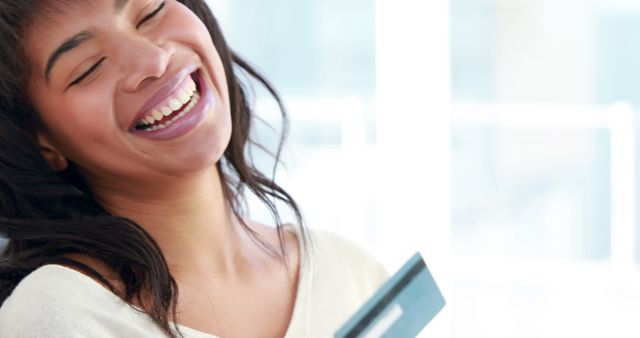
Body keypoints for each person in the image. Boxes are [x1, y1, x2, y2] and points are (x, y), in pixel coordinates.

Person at [0, 0, 388, 337]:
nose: (153, 60)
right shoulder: (57, 317)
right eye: (89, 68)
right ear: (40, 141)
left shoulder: (352, 274)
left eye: (150, 11)